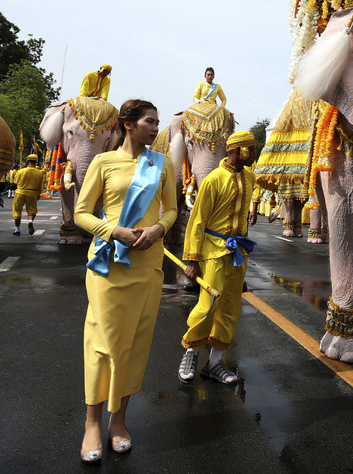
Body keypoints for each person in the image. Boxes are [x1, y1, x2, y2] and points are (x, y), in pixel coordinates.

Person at [73, 98, 177, 463]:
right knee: (102, 341)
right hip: (108, 265)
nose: (155, 127)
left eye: (158, 122)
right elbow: (82, 213)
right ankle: (91, 423)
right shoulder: (103, 162)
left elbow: (173, 209)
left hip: (147, 265)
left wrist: (158, 229)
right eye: (150, 121)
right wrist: (111, 230)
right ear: (129, 124)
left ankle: (119, 421)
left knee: (134, 343)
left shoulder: (162, 164)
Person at [177, 130, 258, 386]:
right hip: (212, 251)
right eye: (250, 149)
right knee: (208, 305)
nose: (253, 155)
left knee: (231, 306)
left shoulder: (250, 177)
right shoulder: (214, 179)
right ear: (237, 151)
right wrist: (192, 259)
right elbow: (197, 220)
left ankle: (214, 363)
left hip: (237, 253)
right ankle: (191, 353)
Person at [11, 154, 42, 236]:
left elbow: (14, 184)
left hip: (20, 192)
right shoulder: (39, 173)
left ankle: (17, 230)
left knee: (17, 211)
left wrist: (13, 191)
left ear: (28, 161)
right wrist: (38, 194)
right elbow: (40, 186)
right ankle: (30, 221)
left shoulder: (20, 171)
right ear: (36, 162)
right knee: (32, 210)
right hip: (32, 193)